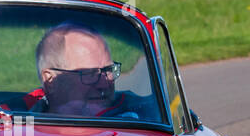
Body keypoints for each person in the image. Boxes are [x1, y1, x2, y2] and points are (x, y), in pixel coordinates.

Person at [8, 22, 153, 118]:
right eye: (89, 74)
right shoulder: (14, 123)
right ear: (50, 81)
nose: (104, 84)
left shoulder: (141, 113)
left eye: (108, 70)